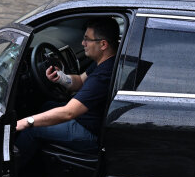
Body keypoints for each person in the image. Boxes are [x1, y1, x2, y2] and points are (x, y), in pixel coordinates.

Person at [14, 17, 118, 164]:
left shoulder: (104, 76)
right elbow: (80, 81)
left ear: (103, 44)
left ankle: (10, 171)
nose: (83, 43)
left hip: (91, 132)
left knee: (31, 129)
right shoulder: (106, 61)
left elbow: (69, 112)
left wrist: (27, 121)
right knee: (46, 106)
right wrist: (61, 78)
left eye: (87, 39)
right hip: (88, 118)